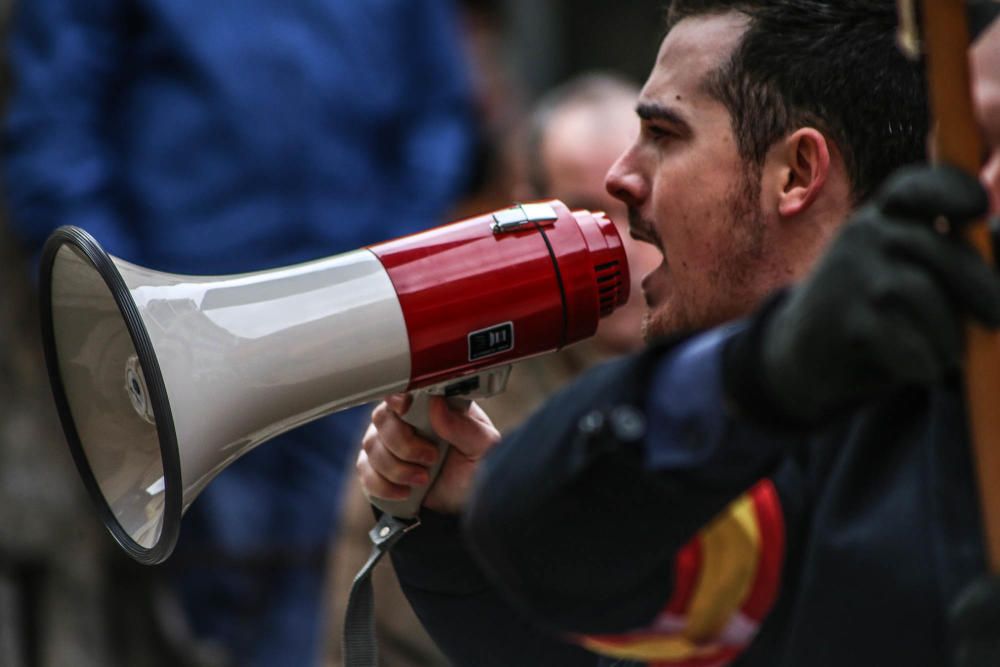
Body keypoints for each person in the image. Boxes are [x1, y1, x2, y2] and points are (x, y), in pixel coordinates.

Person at [356, 1, 1000, 665]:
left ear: (799, 173)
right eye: (975, 144)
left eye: (665, 133)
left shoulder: (890, 440)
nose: (621, 176)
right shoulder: (793, 461)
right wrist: (455, 535)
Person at [2, 1, 477, 666]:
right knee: (200, 605)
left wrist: (382, 275)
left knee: (338, 589)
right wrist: (120, 316)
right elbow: (56, 128)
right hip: (178, 345)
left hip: (352, 337)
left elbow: (438, 113)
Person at [325, 71, 658, 666]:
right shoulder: (454, 407)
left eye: (637, 209)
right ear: (527, 211)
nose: (623, 251)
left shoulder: (719, 372)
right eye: (587, 215)